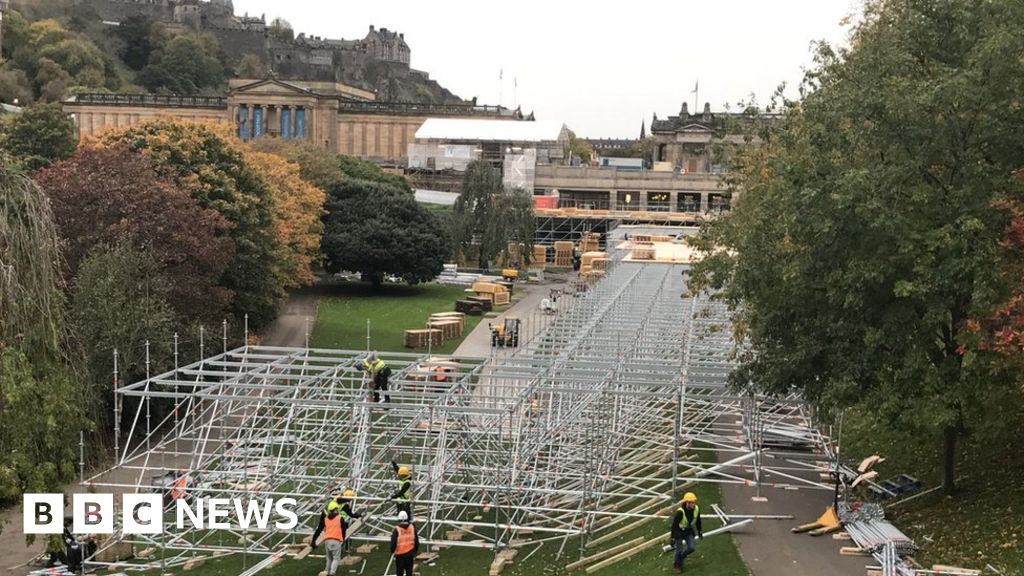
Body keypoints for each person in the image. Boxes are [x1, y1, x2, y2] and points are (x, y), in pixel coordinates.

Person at [310, 501, 346, 576]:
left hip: (327, 540)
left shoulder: (326, 518)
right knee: (336, 558)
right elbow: (343, 530)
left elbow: (320, 528)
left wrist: (314, 540)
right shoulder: (340, 518)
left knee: (329, 558)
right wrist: (343, 539)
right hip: (336, 540)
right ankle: (332, 573)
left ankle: (327, 571)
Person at [670, 492, 703, 572]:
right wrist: (673, 538)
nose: (694, 504)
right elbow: (674, 525)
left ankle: (681, 558)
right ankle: (677, 565)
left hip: (688, 531)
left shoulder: (696, 509)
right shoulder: (680, 512)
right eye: (692, 503)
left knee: (691, 548)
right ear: (687, 503)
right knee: (679, 549)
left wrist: (700, 531)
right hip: (679, 532)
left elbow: (698, 520)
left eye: (694, 502)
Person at [389, 510, 419, 576]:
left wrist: (392, 551)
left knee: (400, 573)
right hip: (410, 555)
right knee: (409, 573)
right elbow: (416, 541)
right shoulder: (412, 527)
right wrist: (414, 552)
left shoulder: (397, 530)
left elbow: (393, 544)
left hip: (400, 556)